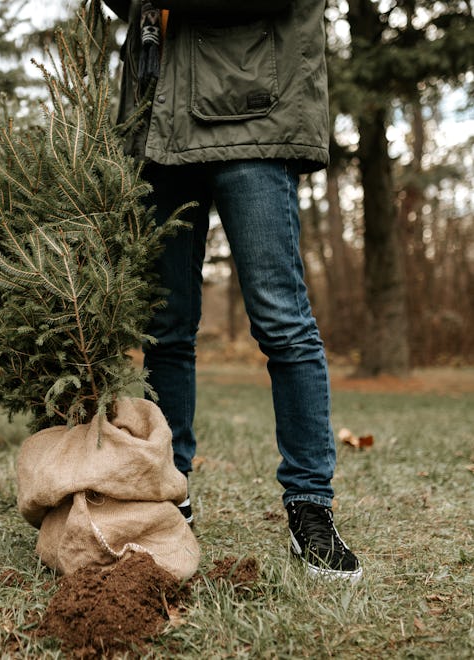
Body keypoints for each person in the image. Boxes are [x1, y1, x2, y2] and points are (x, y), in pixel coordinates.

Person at [103, 0, 362, 581]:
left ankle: (309, 508)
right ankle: (172, 494)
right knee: (165, 329)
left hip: (252, 114)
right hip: (158, 117)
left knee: (282, 322)